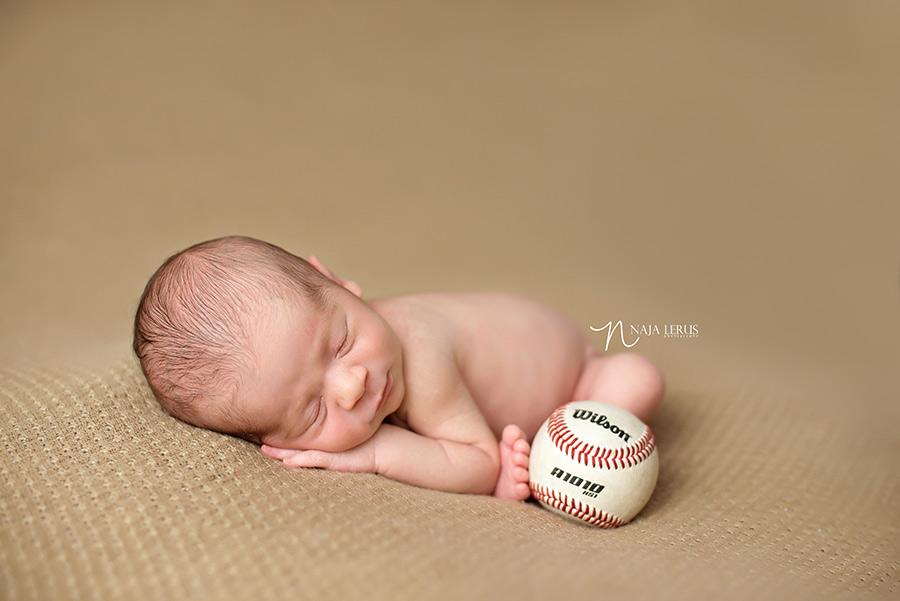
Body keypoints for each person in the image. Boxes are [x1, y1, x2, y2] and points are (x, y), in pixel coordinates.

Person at [134, 236, 665, 500]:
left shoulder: (418, 348)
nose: (351, 385)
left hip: (576, 372)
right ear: (273, 441)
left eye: (340, 341)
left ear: (339, 283)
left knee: (636, 380)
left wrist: (376, 450)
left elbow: (477, 464)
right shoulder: (363, 354)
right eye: (313, 412)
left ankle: (584, 417)